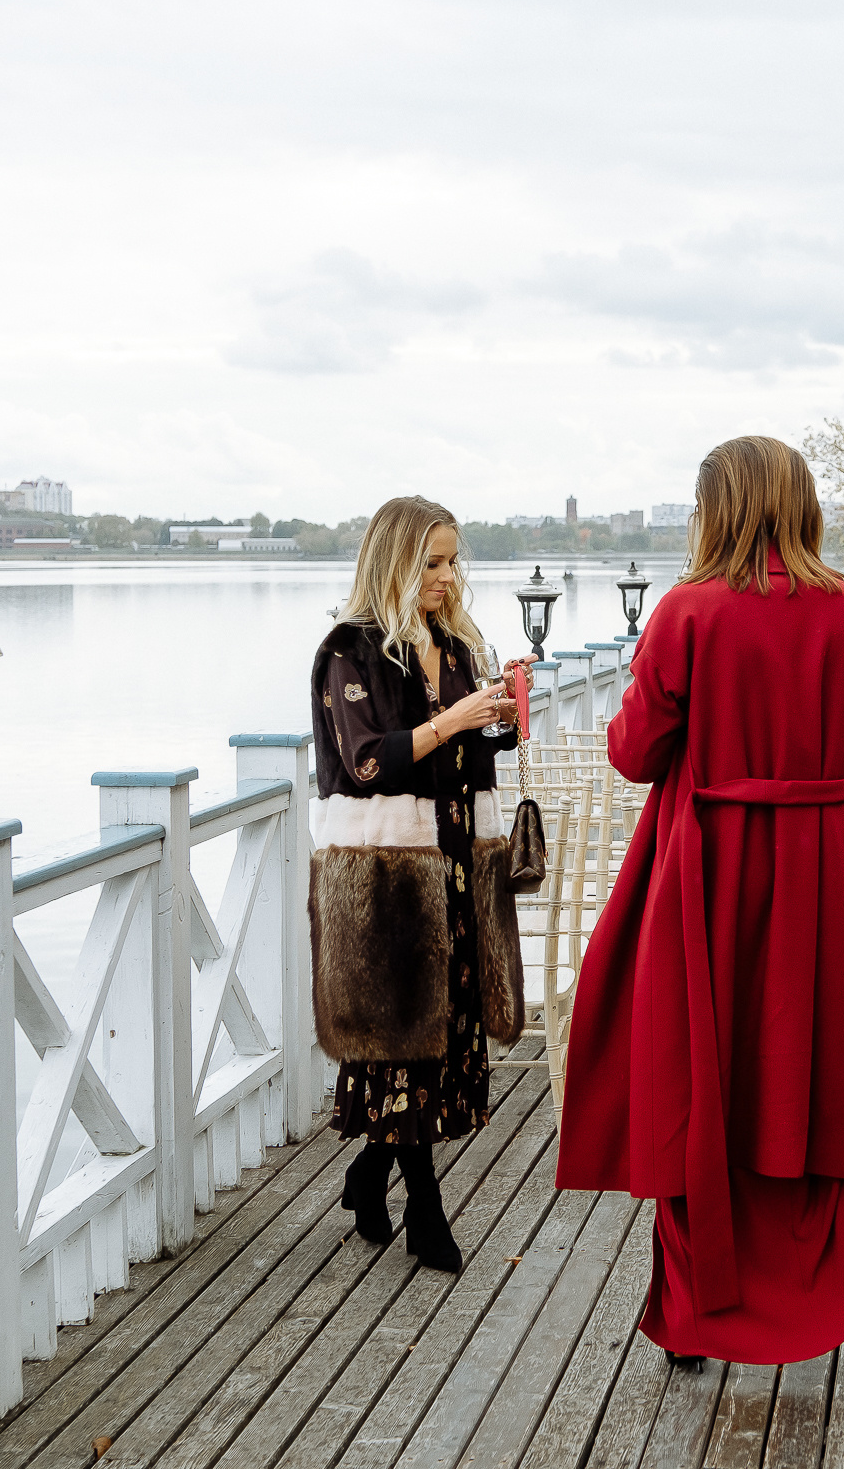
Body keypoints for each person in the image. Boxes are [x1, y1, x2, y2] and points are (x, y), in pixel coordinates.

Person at [554, 436, 844, 1365]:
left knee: (695, 1080)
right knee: (811, 1087)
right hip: (816, 878)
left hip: (706, 876)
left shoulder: (687, 612)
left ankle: (699, 1311)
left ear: (719, 509)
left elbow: (635, 752)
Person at [308, 495, 530, 1272]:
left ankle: (369, 1175)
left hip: (456, 865)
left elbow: (462, 760)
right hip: (385, 880)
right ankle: (426, 1212)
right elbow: (367, 759)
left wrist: (496, 719)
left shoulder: (454, 645)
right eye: (431, 563)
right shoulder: (350, 651)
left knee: (437, 1037)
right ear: (396, 564)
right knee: (402, 1040)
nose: (446, 576)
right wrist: (455, 719)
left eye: (451, 561)